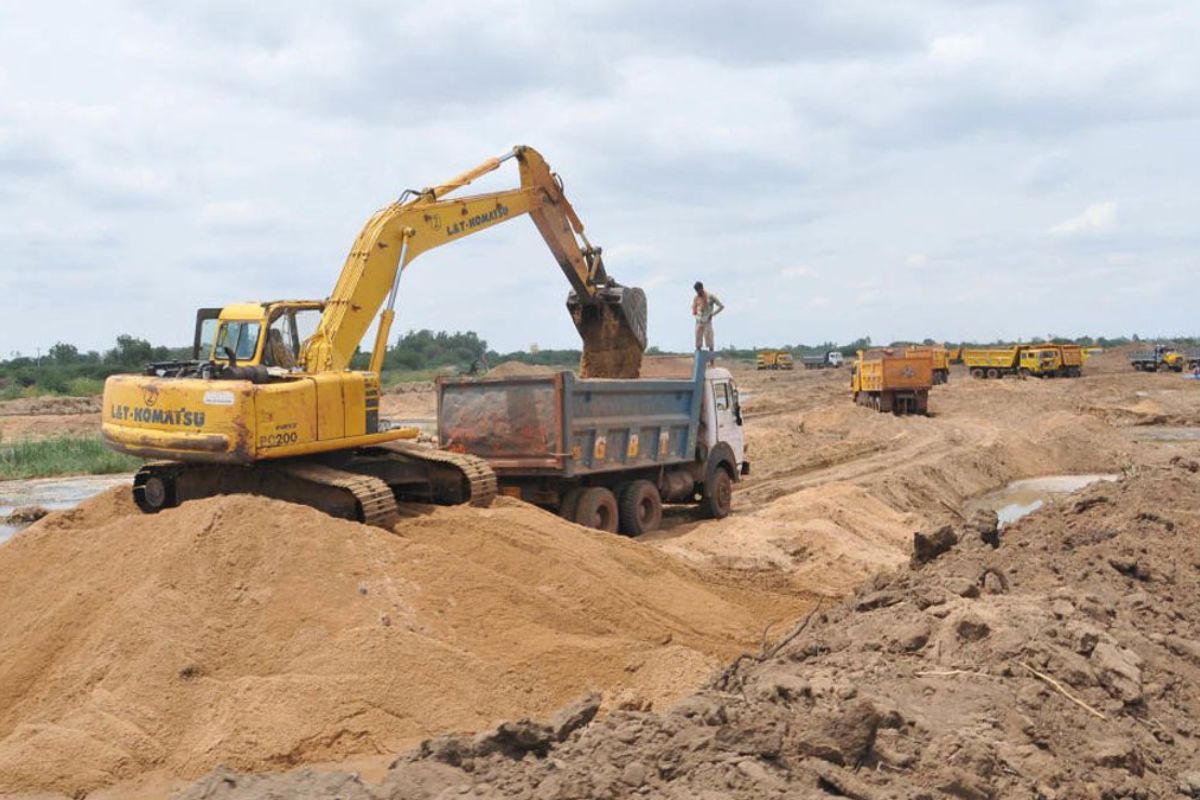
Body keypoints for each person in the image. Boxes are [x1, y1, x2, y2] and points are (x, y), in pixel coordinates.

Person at [692, 281, 724, 351]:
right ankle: (699, 361)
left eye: (698, 290)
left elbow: (721, 306)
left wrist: (712, 314)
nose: (697, 292)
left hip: (707, 322)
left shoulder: (710, 296)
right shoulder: (696, 298)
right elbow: (694, 308)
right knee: (698, 343)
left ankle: (711, 361)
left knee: (710, 343)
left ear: (702, 288)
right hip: (698, 322)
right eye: (696, 290)